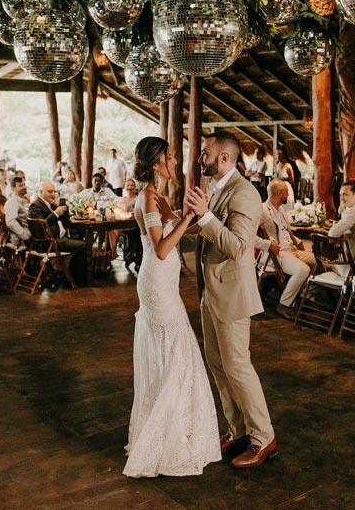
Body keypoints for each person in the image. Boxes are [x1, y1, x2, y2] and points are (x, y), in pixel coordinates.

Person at [123, 137, 220, 478]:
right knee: (174, 352)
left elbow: (180, 231)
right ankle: (166, 437)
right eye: (168, 156)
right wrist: (188, 217)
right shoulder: (148, 198)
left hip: (167, 283)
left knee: (175, 352)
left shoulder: (160, 197)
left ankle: (176, 427)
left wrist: (200, 214)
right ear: (154, 162)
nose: (173, 160)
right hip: (157, 282)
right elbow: (162, 248)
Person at [185, 131, 276, 469]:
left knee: (238, 367)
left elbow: (238, 246)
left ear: (223, 157)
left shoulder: (246, 193)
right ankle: (236, 430)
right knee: (218, 365)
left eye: (204, 153)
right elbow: (208, 232)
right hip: (211, 292)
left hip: (233, 294)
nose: (199, 159)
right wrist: (181, 225)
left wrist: (205, 217)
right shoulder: (217, 189)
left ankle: (263, 438)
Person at [257, 179, 316, 320]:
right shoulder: (262, 210)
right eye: (286, 192)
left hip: (292, 249)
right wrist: (268, 244)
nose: (288, 194)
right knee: (303, 270)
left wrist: (299, 241)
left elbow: (286, 232)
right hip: (278, 253)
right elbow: (249, 236)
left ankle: (300, 296)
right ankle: (284, 304)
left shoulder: (281, 209)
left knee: (319, 262)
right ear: (278, 194)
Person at [28, 182, 86, 286]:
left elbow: (67, 223)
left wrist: (63, 208)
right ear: (41, 192)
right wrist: (55, 213)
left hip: (58, 239)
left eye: (54, 191)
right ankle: (76, 279)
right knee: (82, 245)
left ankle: (69, 275)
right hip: (47, 242)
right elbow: (40, 227)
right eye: (49, 191)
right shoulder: (35, 206)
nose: (53, 194)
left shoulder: (51, 204)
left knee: (81, 239)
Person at [329, 181, 355, 261]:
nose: (341, 198)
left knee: (318, 261)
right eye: (340, 195)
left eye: (345, 194)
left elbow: (332, 233)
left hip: (353, 259)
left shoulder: (353, 212)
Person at [4, 176, 31, 246]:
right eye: (20, 185)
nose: (24, 187)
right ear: (13, 188)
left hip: (28, 236)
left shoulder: (22, 201)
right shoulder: (13, 202)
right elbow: (10, 222)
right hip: (20, 241)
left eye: (24, 184)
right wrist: (26, 236)